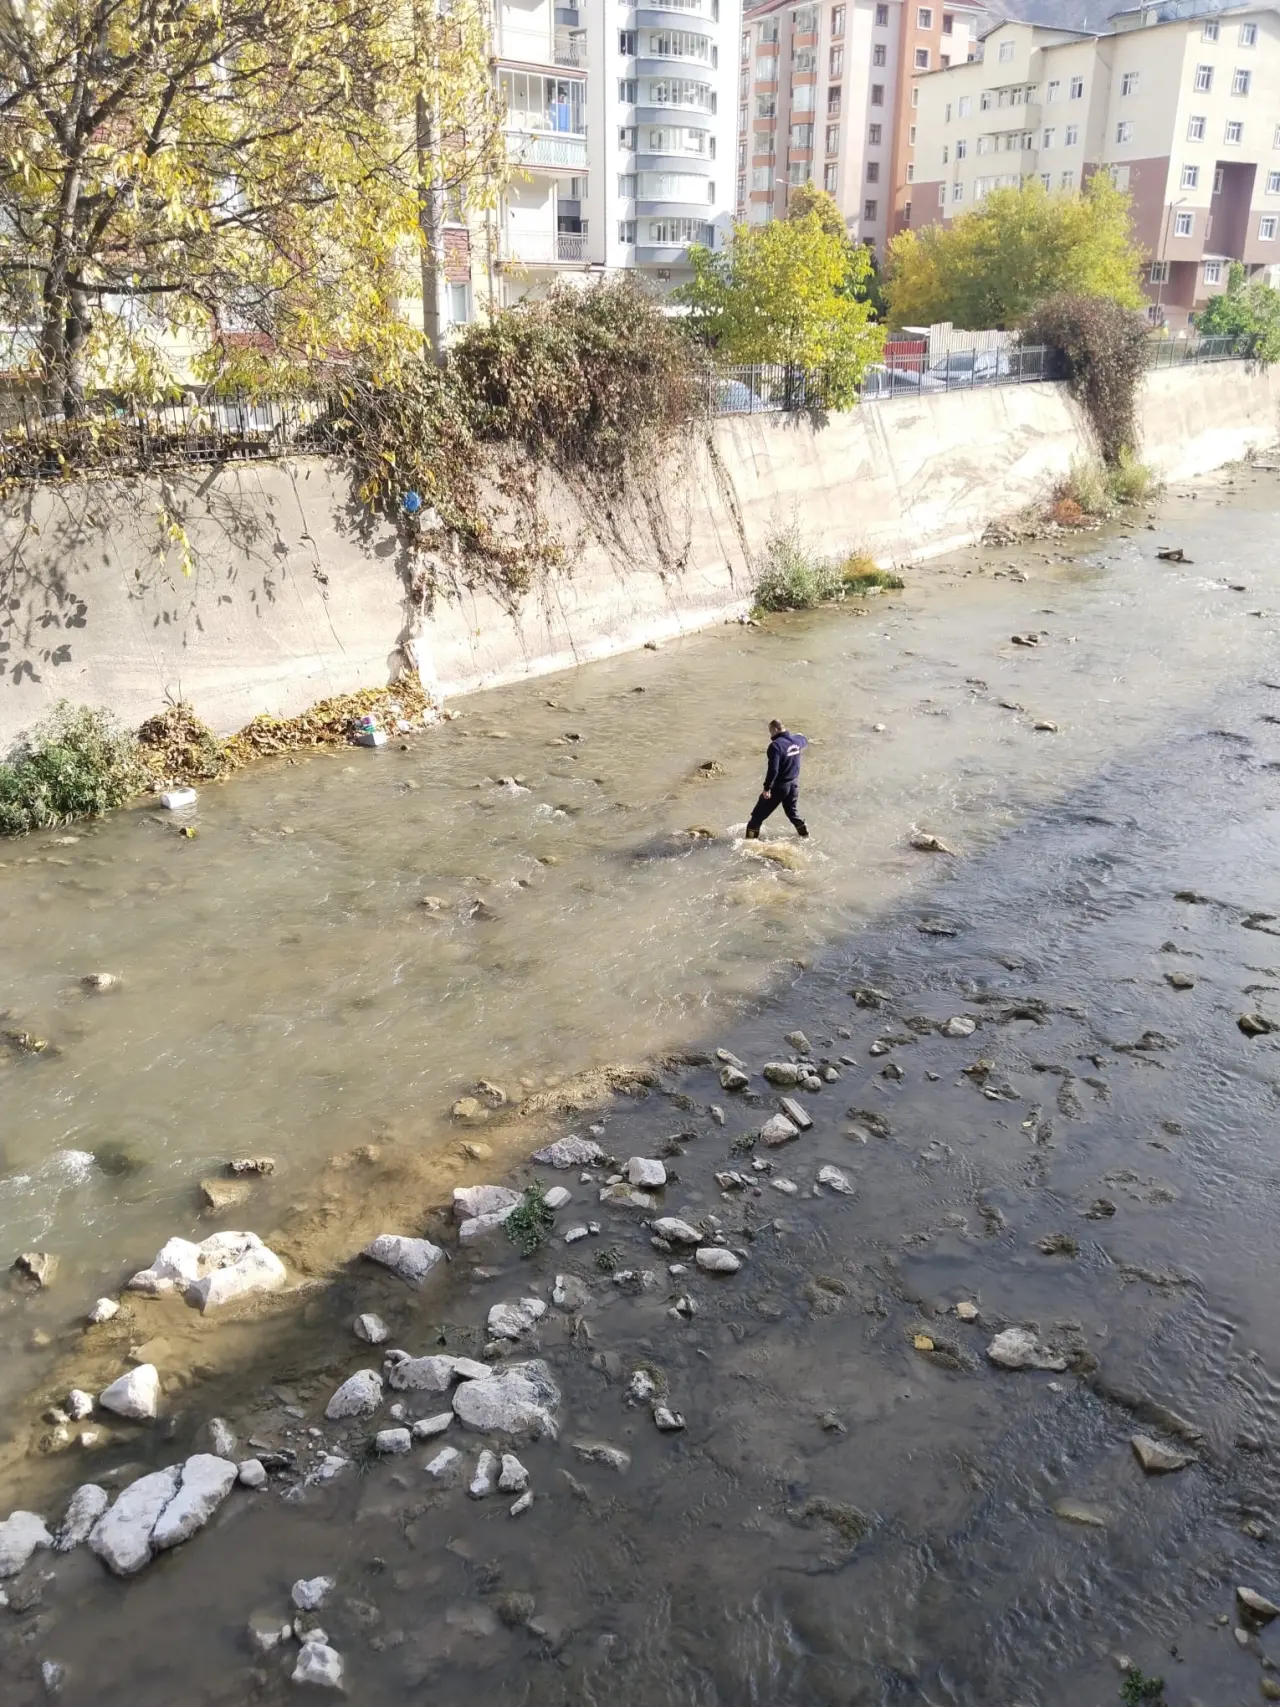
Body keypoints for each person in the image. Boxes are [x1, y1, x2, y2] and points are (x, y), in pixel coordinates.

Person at [745, 719, 809, 839]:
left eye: (770, 731)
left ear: (774, 730)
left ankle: (749, 843)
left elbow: (773, 770)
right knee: (792, 813)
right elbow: (803, 738)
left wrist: (767, 788)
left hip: (779, 787)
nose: (770, 734)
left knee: (756, 817)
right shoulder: (797, 740)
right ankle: (805, 836)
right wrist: (799, 735)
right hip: (794, 785)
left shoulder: (775, 746)